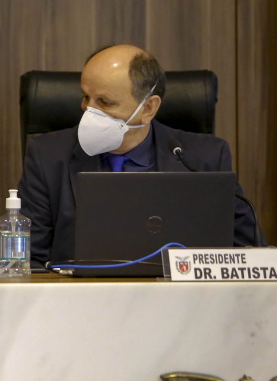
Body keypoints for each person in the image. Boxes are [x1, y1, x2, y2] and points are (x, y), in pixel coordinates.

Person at [18, 45, 260, 269]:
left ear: (148, 109)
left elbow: (250, 254)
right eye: (85, 97)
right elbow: (30, 261)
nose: (88, 110)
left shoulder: (206, 159)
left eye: (104, 102)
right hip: (79, 304)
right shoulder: (47, 156)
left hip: (181, 305)